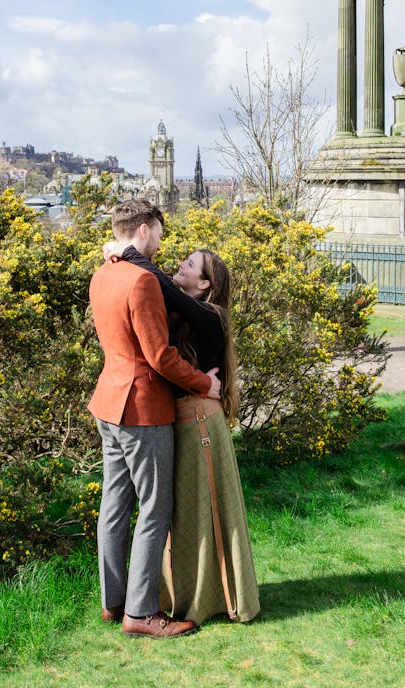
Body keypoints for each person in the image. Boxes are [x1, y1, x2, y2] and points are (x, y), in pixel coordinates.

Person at [104, 239, 260, 625]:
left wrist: (128, 251)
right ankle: (167, 597)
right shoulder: (183, 314)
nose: (181, 265)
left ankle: (211, 596)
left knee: (198, 512)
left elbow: (168, 290)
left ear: (205, 284)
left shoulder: (213, 315)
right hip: (178, 418)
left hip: (200, 423)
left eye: (190, 264)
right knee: (180, 512)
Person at [88, 200, 221, 639]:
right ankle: (141, 612)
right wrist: (205, 383)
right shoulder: (142, 281)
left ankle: (114, 601)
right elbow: (159, 357)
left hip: (108, 403)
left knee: (114, 505)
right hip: (142, 410)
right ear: (143, 231)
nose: (162, 243)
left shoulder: (102, 273)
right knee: (155, 508)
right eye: (159, 234)